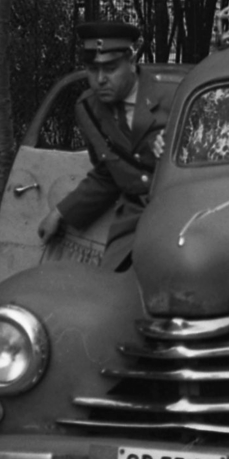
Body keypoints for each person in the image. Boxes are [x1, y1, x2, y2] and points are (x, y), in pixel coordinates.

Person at [37, 20, 173, 271]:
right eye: (92, 69)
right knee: (108, 290)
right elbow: (108, 173)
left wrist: (181, 146)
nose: (100, 79)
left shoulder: (174, 95)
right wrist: (61, 212)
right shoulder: (88, 109)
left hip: (179, 212)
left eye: (110, 68)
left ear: (131, 62)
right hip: (133, 222)